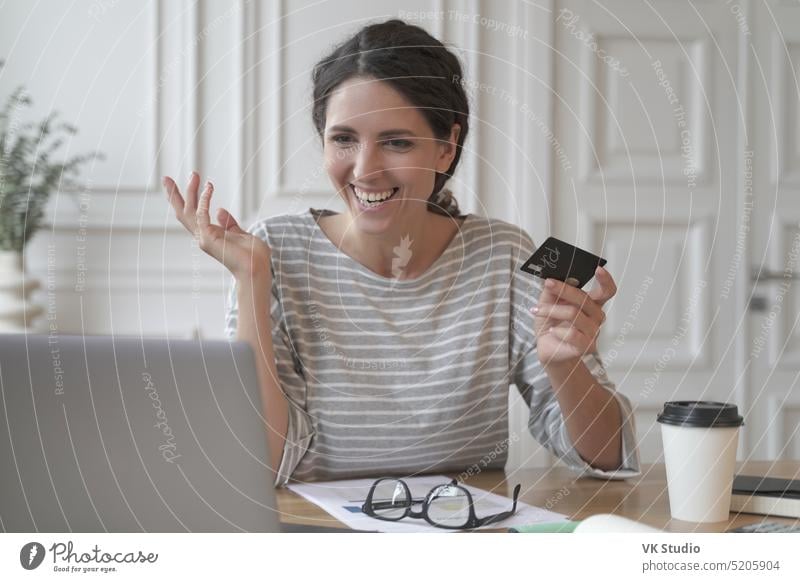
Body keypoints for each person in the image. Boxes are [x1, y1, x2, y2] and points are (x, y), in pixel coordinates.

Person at [162, 19, 640, 487]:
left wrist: (564, 365)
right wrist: (250, 281)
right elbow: (262, 463)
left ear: (445, 148)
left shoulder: (503, 254)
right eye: (344, 139)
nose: (365, 169)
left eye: (396, 142)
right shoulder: (273, 252)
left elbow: (608, 456)